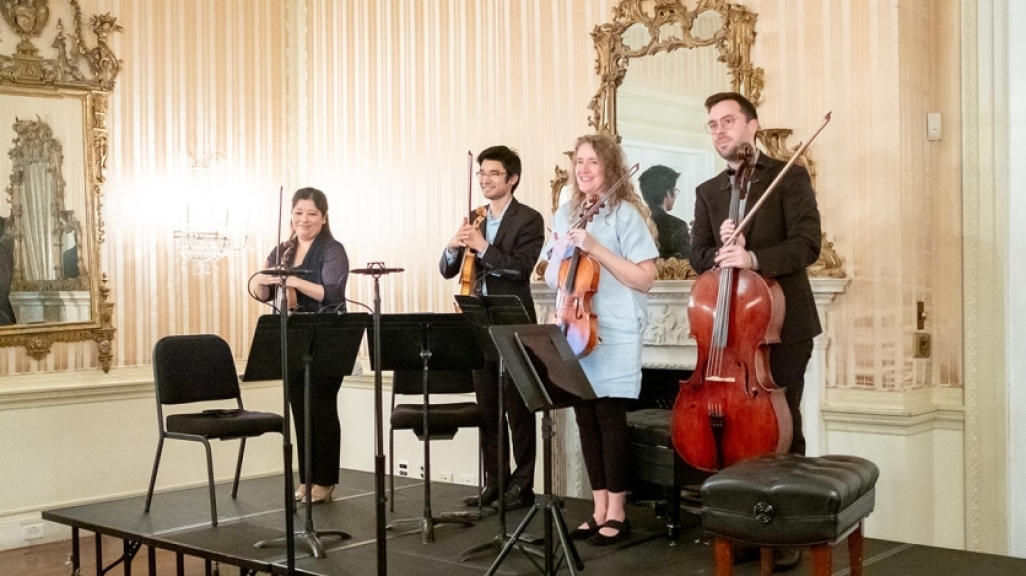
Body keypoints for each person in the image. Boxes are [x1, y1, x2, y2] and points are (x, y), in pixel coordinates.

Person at [690, 92, 821, 569]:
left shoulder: (787, 177)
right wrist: (721, 252)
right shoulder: (707, 191)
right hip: (730, 334)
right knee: (736, 434)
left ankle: (787, 533)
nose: (720, 130)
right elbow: (697, 255)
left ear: (752, 126)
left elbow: (807, 245)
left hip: (781, 327)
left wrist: (754, 257)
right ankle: (743, 528)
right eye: (712, 124)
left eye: (728, 121)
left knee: (782, 429)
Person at [543, 134, 658, 546]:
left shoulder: (626, 214)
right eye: (579, 162)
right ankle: (597, 509)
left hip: (615, 328)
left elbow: (645, 279)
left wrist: (595, 248)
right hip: (573, 324)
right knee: (584, 418)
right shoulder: (566, 211)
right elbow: (549, 272)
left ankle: (618, 513)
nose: (585, 169)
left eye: (593, 162)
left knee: (610, 420)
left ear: (609, 168)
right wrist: (559, 254)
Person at [440, 145, 545, 511]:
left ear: (512, 178)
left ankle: (523, 485)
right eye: (481, 173)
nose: (485, 179)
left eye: (493, 173)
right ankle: (495, 482)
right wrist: (453, 247)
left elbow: (520, 269)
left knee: (518, 409)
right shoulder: (476, 215)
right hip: (477, 321)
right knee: (488, 408)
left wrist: (483, 247)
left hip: (512, 322)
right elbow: (447, 269)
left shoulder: (529, 219)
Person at [249, 187, 350, 504]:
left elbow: (332, 294)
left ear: (323, 217)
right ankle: (306, 478)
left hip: (327, 336)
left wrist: (292, 281)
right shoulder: (282, 250)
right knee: (299, 407)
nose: (304, 219)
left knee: (321, 406)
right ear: (291, 215)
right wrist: (260, 281)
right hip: (292, 336)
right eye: (298, 213)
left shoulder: (333, 250)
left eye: (312, 213)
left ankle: (326, 480)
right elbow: (262, 291)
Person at [639, 165, 690, 259]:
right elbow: (688, 266)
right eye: (675, 190)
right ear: (668, 193)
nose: (675, 195)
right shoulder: (677, 226)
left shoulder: (636, 221)